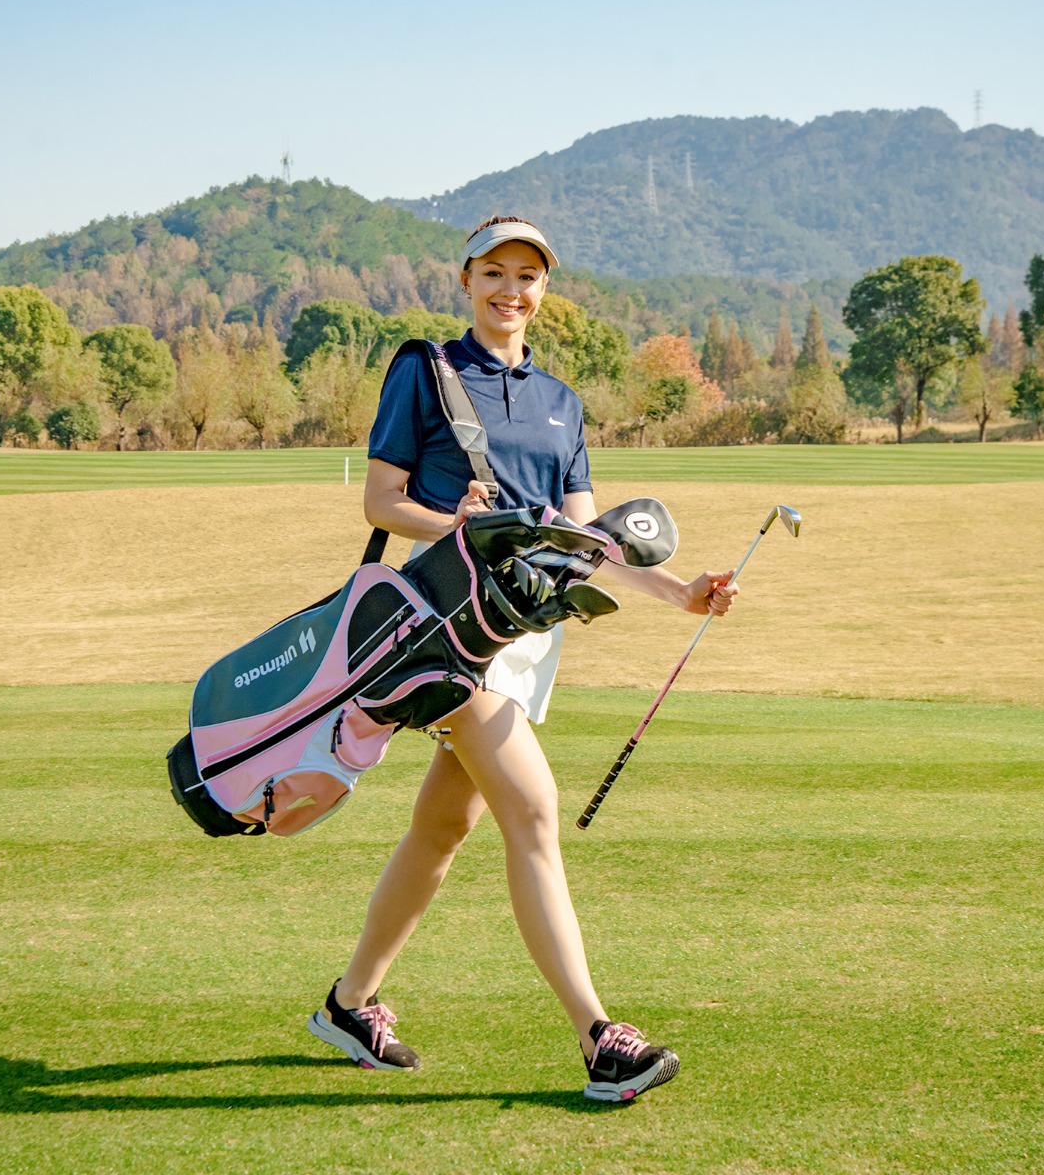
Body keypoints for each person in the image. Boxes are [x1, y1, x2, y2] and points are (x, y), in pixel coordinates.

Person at [307, 216, 739, 1101]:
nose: (512, 289)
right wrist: (458, 524)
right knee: (535, 815)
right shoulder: (427, 373)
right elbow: (383, 503)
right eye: (496, 272)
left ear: (545, 290)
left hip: (527, 634)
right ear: (467, 279)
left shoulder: (561, 401)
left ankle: (350, 1002)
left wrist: (681, 591)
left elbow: (588, 538)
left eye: (528, 276)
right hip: (446, 627)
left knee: (443, 828)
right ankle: (598, 1037)